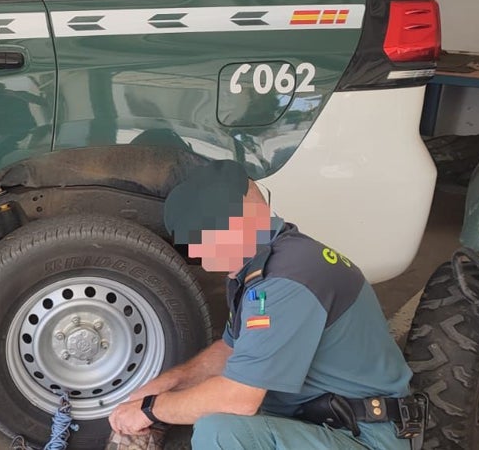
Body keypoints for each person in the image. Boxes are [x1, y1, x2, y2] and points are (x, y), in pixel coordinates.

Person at [108, 160, 421, 450]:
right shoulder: (258, 269)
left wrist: (152, 409)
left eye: (204, 240)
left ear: (242, 220)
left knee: (220, 432)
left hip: (366, 435)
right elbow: (230, 350)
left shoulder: (290, 279)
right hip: (323, 423)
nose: (202, 260)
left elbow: (240, 399)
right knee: (199, 415)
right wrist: (165, 386)